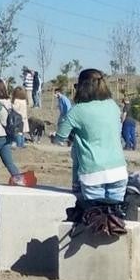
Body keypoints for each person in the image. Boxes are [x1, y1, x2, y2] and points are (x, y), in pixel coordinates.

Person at [54, 69, 128, 201]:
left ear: (82, 87)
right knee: (115, 218)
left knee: (95, 217)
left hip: (93, 174)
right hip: (119, 171)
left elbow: (60, 137)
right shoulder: (113, 106)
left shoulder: (77, 110)